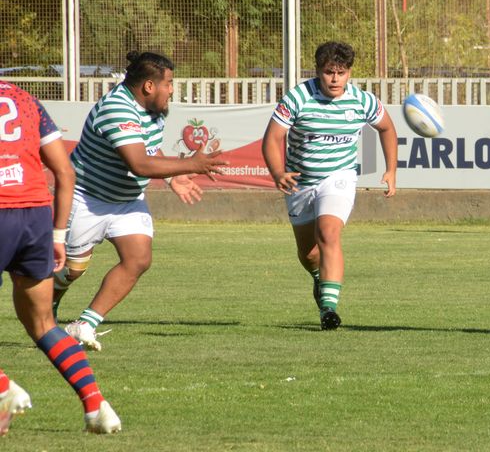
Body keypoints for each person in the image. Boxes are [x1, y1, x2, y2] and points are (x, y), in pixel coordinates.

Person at [52, 51, 227, 351]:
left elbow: (149, 149)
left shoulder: (152, 109)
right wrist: (191, 165)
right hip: (88, 197)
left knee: (139, 259)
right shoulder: (117, 108)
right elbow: (139, 164)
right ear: (149, 86)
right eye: (169, 83)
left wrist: (173, 179)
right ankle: (46, 308)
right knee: (71, 271)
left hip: (127, 199)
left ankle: (84, 325)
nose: (172, 89)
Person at [0, 81, 120, 434]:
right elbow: (65, 172)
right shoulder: (25, 99)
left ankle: (4, 388)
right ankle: (97, 407)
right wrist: (57, 235)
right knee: (43, 324)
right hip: (35, 217)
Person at [262, 41, 398, 330]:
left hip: (339, 176)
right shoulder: (298, 98)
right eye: (328, 72)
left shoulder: (363, 101)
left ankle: (329, 309)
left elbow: (387, 128)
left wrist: (391, 170)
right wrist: (277, 172)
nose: (335, 79)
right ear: (318, 71)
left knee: (328, 233)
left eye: (341, 72)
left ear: (349, 72)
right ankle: (319, 279)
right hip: (299, 183)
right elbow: (272, 138)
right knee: (309, 253)